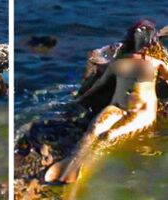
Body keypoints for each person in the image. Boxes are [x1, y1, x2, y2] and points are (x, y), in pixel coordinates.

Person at [45, 20, 168, 183]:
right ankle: (70, 164)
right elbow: (99, 85)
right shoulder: (117, 63)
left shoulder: (156, 63)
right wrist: (80, 99)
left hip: (143, 110)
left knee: (109, 135)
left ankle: (87, 168)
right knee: (94, 130)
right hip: (117, 106)